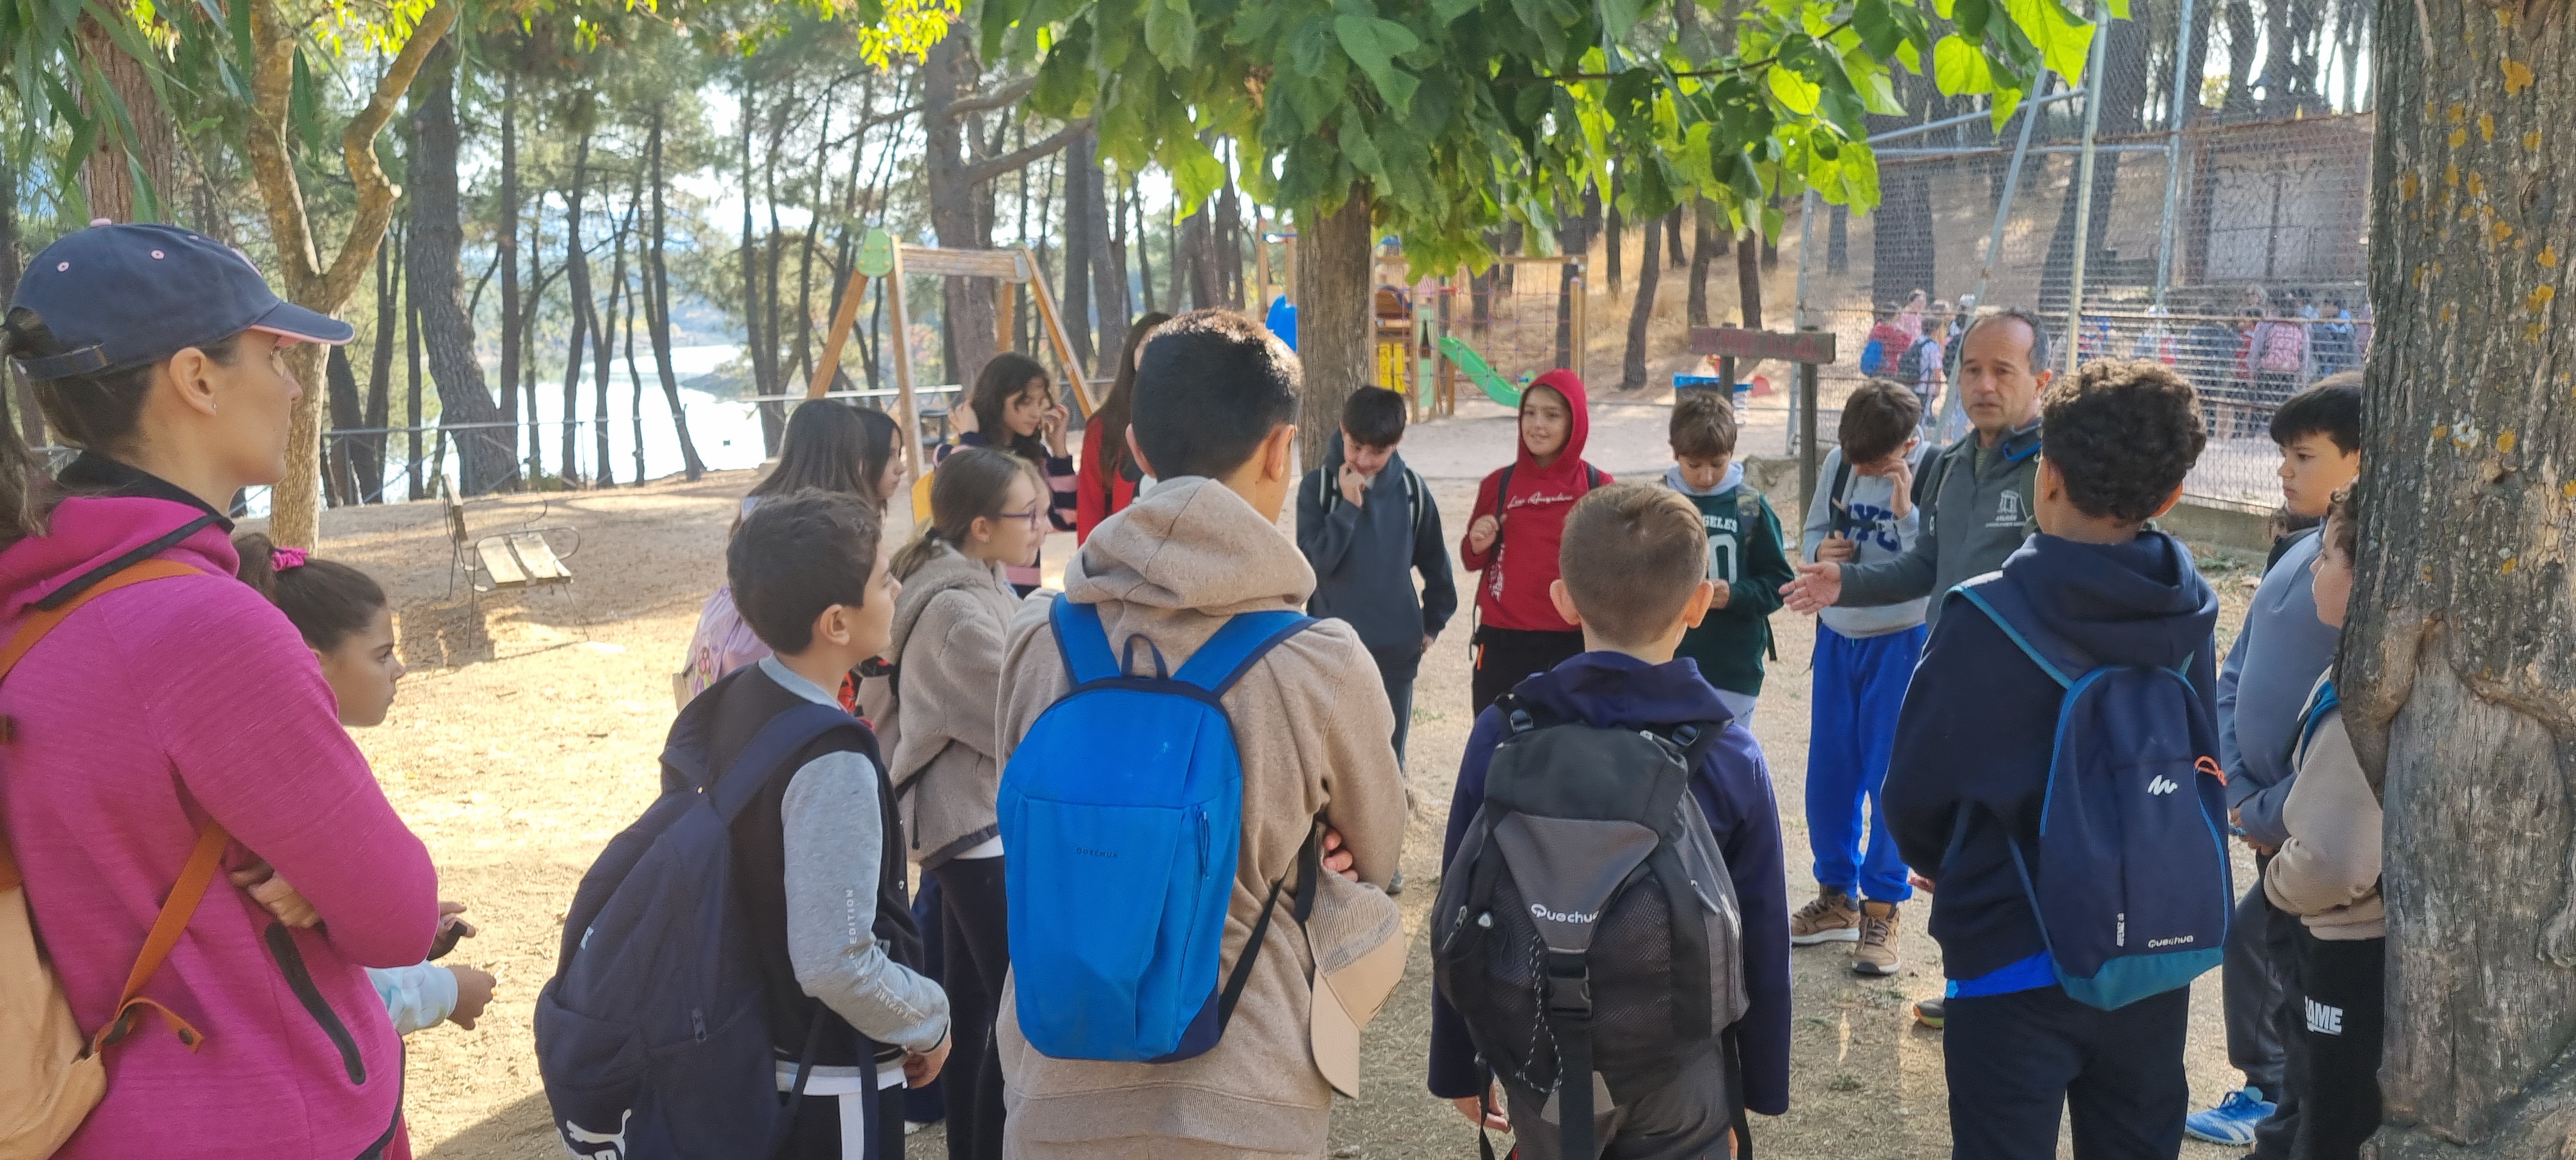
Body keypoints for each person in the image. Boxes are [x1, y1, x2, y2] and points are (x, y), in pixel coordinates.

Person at [0, 222, 436, 1158]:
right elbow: (399, 913)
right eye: (274, 355)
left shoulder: (30, 594)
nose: (293, 385)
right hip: (269, 1119)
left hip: (95, 1115)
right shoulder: (204, 628)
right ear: (197, 379)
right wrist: (322, 882)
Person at [990, 309, 1407, 1158]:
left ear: (1136, 447)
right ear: (1281, 449)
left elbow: (1026, 816)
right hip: (1251, 1094)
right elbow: (1379, 853)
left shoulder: (1038, 639)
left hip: (1054, 1088)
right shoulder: (1321, 663)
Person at [1883, 358, 2216, 1160]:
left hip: (2010, 946)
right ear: (2172, 494)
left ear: (2048, 472)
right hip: (2149, 946)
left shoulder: (1984, 615)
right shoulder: (2189, 612)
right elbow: (2202, 754)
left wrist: (1945, 860)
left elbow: (1915, 791)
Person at [1428, 482, 1791, 1156]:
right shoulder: (1729, 753)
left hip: (1537, 1055)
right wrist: (1759, 1084)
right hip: (1684, 1063)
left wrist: (1455, 1065)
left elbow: (1460, 902)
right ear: (1699, 603)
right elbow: (1762, 931)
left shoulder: (1502, 733)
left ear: (1563, 599)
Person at [705, 490, 951, 1159]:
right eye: (884, 579)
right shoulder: (832, 757)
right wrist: (927, 1018)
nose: (897, 589)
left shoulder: (744, 696)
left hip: (764, 1048)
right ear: (837, 623)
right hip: (831, 1077)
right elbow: (836, 962)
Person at [2186, 373, 2363, 1150]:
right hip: (2260, 813)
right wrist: (2237, 786)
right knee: (2265, 951)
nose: (2285, 471)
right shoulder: (2298, 550)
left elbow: (2352, 730)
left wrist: (2272, 808)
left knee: (2273, 956)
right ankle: (2272, 1093)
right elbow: (2236, 674)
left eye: (2305, 455)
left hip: (2304, 830)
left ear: (2362, 463)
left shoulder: (2361, 573)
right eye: (2283, 454)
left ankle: (2272, 1095)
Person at [229, 534, 497, 1038]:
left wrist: (381, 919)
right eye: (382, 655)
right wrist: (444, 992)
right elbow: (314, 984)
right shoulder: (296, 794)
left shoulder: (252, 769)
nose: (401, 669)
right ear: (310, 662)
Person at [859, 448, 1045, 1160]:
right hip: (969, 827)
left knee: (974, 1010)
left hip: (978, 821)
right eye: (1028, 514)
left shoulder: (979, 580)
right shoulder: (955, 615)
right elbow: (1020, 716)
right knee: (1014, 1010)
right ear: (980, 527)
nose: (1042, 525)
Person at [1793, 381, 1931, 977]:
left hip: (1899, 640)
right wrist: (1820, 550)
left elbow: (1931, 561)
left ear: (1906, 446)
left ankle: (1882, 909)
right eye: (1854, 457)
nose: (1861, 469)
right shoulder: (1838, 463)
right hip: (1837, 636)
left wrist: (1905, 512)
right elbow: (1809, 533)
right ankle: (1836, 898)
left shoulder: (1931, 470)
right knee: (1830, 772)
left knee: (1888, 776)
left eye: (1873, 462)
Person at [2260, 487, 2380, 1160]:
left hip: (2347, 948)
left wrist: (2277, 881)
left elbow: (2335, 861)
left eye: (2328, 554)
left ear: (2366, 576)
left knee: (2331, 1126)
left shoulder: (2359, 696)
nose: (2312, 566)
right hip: (2354, 943)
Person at [682, 400, 910, 705]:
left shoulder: (761, 505)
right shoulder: (827, 530)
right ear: (848, 457)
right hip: (791, 651)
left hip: (742, 638)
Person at [1296, 385, 1457, 772]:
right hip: (1332, 656)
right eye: (1355, 447)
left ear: (1397, 443)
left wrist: (1431, 625)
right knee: (1332, 773)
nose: (1364, 461)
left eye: (1378, 452)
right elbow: (1310, 569)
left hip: (1395, 659)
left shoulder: (1414, 492)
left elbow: (1437, 566)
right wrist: (1347, 510)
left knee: (1386, 770)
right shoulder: (1317, 488)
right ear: (1342, 430)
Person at [1460, 368, 1609, 716]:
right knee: (1497, 742)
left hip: (1575, 640)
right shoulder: (1498, 484)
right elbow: (1471, 559)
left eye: (1552, 415)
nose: (1538, 425)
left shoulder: (1598, 486)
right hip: (1503, 641)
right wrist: (1477, 542)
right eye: (1530, 413)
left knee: (1568, 743)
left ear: (1575, 422)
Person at [1664, 390, 1791, 723]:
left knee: (1726, 753)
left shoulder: (1750, 506)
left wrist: (1734, 595)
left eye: (1717, 464)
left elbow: (1779, 583)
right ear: (1675, 453)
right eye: (1694, 465)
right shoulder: (1656, 502)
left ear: (1731, 454)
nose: (1706, 476)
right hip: (1665, 665)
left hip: (1733, 668)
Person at [949, 353, 1078, 594]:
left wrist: (1059, 450)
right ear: (996, 399)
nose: (1036, 413)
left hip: (1022, 593)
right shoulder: (953, 453)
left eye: (1040, 403)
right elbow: (965, 494)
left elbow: (1067, 519)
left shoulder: (1034, 457)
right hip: (974, 590)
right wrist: (970, 439)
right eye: (1026, 402)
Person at [1077, 311, 1172, 542]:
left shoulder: (1201, 418)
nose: (1154, 351)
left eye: (1165, 343)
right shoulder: (1103, 427)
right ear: (1132, 354)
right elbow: (1090, 507)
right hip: (1123, 554)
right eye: (1146, 344)